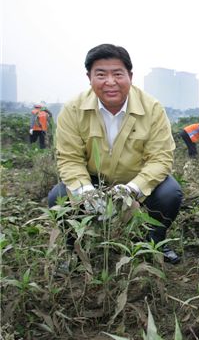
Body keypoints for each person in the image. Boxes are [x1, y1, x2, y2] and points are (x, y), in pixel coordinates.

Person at [47, 44, 183, 264]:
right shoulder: (73, 109)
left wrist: (132, 189)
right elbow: (70, 159)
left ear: (130, 76)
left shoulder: (152, 108)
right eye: (101, 74)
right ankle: (74, 249)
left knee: (170, 193)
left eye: (117, 74)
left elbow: (160, 158)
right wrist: (86, 192)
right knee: (58, 197)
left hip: (134, 179)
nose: (110, 82)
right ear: (89, 77)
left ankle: (153, 241)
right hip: (92, 179)